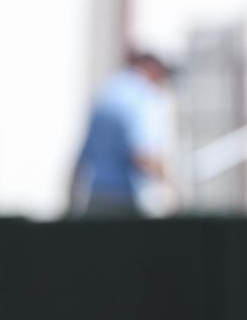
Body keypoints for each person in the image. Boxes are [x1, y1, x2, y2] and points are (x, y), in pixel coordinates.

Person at [69, 51, 178, 218]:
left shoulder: (107, 92)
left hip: (97, 199)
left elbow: (83, 155)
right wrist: (173, 186)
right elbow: (142, 155)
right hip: (126, 203)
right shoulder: (143, 97)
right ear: (153, 66)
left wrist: (70, 204)